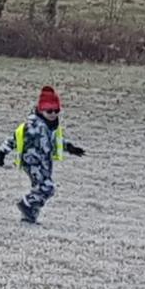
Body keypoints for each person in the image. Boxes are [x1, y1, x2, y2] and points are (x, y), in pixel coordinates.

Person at [11, 86, 85, 224]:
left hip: (44, 162)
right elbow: (16, 137)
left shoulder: (51, 126)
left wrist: (69, 147)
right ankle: (26, 203)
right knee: (47, 187)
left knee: (41, 188)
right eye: (49, 111)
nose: (53, 114)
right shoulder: (35, 126)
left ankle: (30, 215)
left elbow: (54, 141)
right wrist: (5, 151)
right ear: (41, 110)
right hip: (33, 161)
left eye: (56, 111)